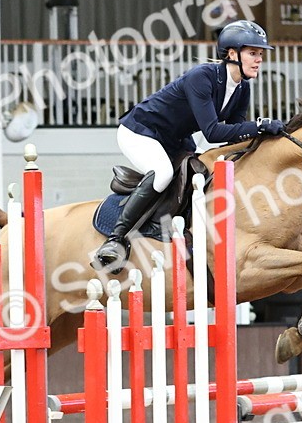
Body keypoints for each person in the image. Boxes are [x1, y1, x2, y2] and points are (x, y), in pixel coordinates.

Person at [94, 19, 287, 271]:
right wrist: (260, 125)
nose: (259, 59)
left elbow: (234, 135)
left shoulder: (242, 89)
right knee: (163, 173)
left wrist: (266, 139)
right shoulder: (202, 77)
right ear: (232, 53)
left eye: (260, 54)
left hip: (174, 138)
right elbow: (213, 131)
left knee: (199, 172)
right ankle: (115, 240)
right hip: (141, 130)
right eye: (253, 53)